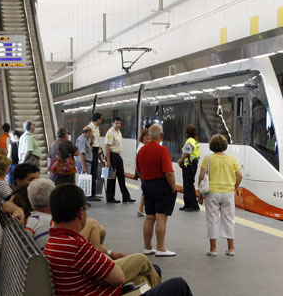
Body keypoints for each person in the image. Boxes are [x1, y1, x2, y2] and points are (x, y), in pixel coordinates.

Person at [44, 184, 193, 296]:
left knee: (143, 278)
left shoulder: (54, 241)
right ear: (81, 213)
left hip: (94, 289)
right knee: (179, 285)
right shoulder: (75, 245)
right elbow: (118, 277)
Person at [197, 134, 242, 257]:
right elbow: (240, 175)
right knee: (229, 219)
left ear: (212, 146)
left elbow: (201, 177)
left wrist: (200, 193)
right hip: (228, 193)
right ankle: (231, 248)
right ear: (225, 146)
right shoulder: (232, 159)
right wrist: (234, 187)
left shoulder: (208, 159)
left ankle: (213, 249)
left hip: (212, 192)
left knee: (212, 219)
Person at [136, 124, 177, 257]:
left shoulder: (141, 150)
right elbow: (168, 172)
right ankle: (160, 248)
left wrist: (145, 182)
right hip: (161, 186)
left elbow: (138, 171)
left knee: (149, 217)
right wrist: (173, 187)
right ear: (161, 136)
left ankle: (147, 247)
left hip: (147, 185)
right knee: (161, 217)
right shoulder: (162, 150)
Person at [105, 116, 134, 203]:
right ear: (112, 123)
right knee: (111, 178)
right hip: (112, 156)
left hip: (118, 156)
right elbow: (107, 147)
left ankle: (126, 197)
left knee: (121, 177)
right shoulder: (110, 133)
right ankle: (110, 197)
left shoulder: (118, 132)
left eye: (119, 123)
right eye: (116, 123)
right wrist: (108, 161)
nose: (118, 125)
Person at [177, 124, 201, 212]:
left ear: (187, 132)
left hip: (189, 166)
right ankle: (187, 204)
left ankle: (193, 205)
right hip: (191, 165)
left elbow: (186, 153)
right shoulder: (194, 140)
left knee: (189, 185)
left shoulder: (190, 141)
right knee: (187, 185)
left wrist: (180, 160)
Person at [75, 125, 100, 201]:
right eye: (91, 133)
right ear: (88, 132)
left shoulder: (85, 139)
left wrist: (92, 143)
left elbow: (87, 151)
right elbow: (81, 153)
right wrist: (83, 166)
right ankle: (84, 197)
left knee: (85, 180)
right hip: (84, 163)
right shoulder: (82, 139)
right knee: (84, 180)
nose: (92, 135)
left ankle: (85, 197)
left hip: (86, 163)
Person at [135, 128, 150, 217]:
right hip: (143, 173)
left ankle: (141, 209)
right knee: (145, 192)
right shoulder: (142, 147)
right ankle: (140, 208)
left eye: (149, 136)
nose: (148, 137)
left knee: (145, 192)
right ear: (143, 137)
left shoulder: (143, 146)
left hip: (143, 173)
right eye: (146, 136)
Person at [88, 113, 103, 198]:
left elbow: (97, 140)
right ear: (98, 119)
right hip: (92, 150)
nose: (101, 121)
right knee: (92, 172)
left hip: (96, 150)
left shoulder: (97, 128)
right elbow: (89, 140)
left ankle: (93, 193)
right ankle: (91, 194)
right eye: (101, 119)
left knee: (95, 172)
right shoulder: (90, 127)